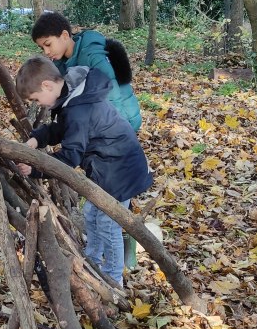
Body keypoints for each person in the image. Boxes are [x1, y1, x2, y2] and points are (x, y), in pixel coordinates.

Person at [14, 56, 153, 287]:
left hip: (120, 172)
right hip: (106, 169)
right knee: (91, 216)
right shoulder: (72, 95)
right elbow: (61, 128)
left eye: (37, 99)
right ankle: (93, 262)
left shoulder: (79, 109)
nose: (39, 105)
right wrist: (37, 140)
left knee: (109, 225)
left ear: (47, 86)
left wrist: (35, 168)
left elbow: (70, 156)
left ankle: (113, 279)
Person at [30, 11, 142, 131]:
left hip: (122, 121)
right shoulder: (61, 64)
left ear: (64, 36)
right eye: (42, 48)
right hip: (99, 123)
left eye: (48, 44)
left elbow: (111, 93)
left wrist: (116, 130)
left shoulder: (91, 55)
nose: (46, 52)